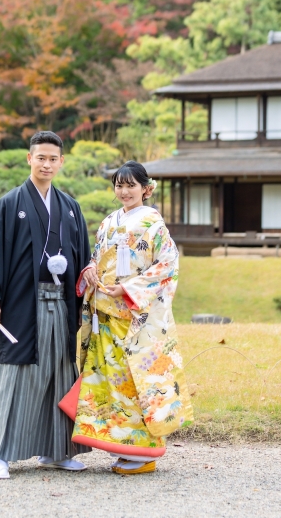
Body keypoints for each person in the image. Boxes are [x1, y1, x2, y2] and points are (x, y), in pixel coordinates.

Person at [0, 131, 92, 479]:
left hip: (60, 304)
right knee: (15, 375)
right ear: (29, 159)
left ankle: (56, 452)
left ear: (61, 162)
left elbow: (83, 257)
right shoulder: (9, 204)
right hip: (22, 305)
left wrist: (87, 288)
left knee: (59, 373)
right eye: (41, 158)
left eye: (53, 159)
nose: (47, 164)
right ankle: (1, 455)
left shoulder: (70, 207)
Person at [73, 160, 193, 475]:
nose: (124, 191)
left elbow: (168, 264)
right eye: (119, 185)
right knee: (111, 384)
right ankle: (125, 447)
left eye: (131, 186)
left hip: (134, 316)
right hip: (104, 313)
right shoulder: (108, 222)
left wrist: (127, 289)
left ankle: (145, 452)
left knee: (135, 382)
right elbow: (96, 257)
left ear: (145, 189)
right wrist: (90, 270)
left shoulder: (153, 223)